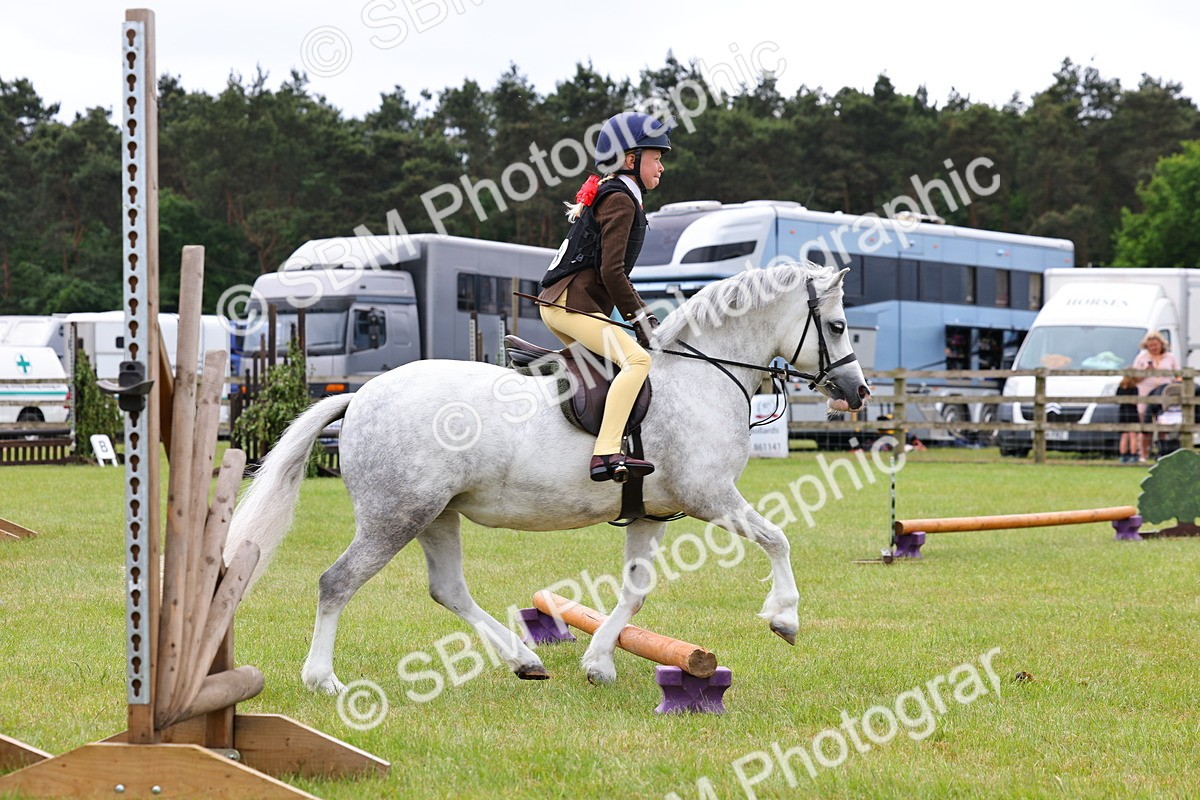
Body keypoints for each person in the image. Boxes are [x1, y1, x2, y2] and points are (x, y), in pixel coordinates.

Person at [537, 112, 674, 483]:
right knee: (637, 361)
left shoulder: (617, 193)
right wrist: (641, 319)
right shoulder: (621, 201)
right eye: (657, 157)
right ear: (632, 160)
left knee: (607, 368)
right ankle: (606, 453)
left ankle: (586, 445)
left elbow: (614, 275)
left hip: (562, 303)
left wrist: (639, 315)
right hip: (572, 304)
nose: (662, 165)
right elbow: (612, 273)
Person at [1131, 331, 1180, 462]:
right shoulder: (1141, 358)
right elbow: (1134, 379)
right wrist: (1145, 372)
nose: (1154, 347)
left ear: (1161, 344)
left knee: (1163, 422)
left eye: (1156, 344)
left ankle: (1164, 453)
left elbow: (1178, 374)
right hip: (1145, 393)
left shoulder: (1170, 357)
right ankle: (1143, 455)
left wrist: (1176, 382)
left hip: (1164, 394)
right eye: (1150, 345)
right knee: (1145, 425)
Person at [1115, 375, 1139, 464]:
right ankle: (1133, 456)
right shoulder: (1134, 388)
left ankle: (1123, 456)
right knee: (1133, 436)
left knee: (1124, 436)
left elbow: (1117, 400)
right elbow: (1135, 400)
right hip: (1132, 412)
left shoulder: (1120, 388)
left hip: (1123, 412)